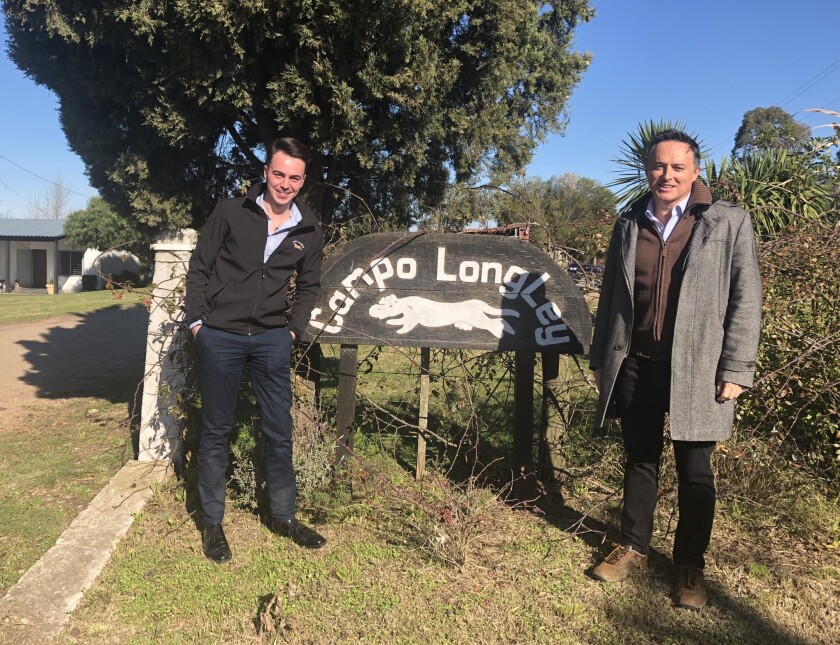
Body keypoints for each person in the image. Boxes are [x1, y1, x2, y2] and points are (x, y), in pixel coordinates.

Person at [589, 129, 762, 610]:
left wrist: (737, 367)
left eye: (676, 167)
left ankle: (689, 566)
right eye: (658, 166)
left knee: (695, 469)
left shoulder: (727, 222)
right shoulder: (629, 222)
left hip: (699, 370)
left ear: (696, 170)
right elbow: (610, 300)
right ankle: (633, 547)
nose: (666, 175)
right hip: (636, 364)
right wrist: (604, 359)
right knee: (640, 459)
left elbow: (746, 300)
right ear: (648, 169)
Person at [185, 137, 325, 563]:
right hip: (220, 336)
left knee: (278, 430)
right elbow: (201, 266)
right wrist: (197, 324)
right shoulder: (231, 211)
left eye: (294, 178)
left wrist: (292, 332)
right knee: (215, 431)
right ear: (266, 171)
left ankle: (283, 516)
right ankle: (212, 522)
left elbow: (311, 287)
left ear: (303, 182)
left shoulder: (308, 229)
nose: (285, 184)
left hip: (270, 339)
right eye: (279, 173)